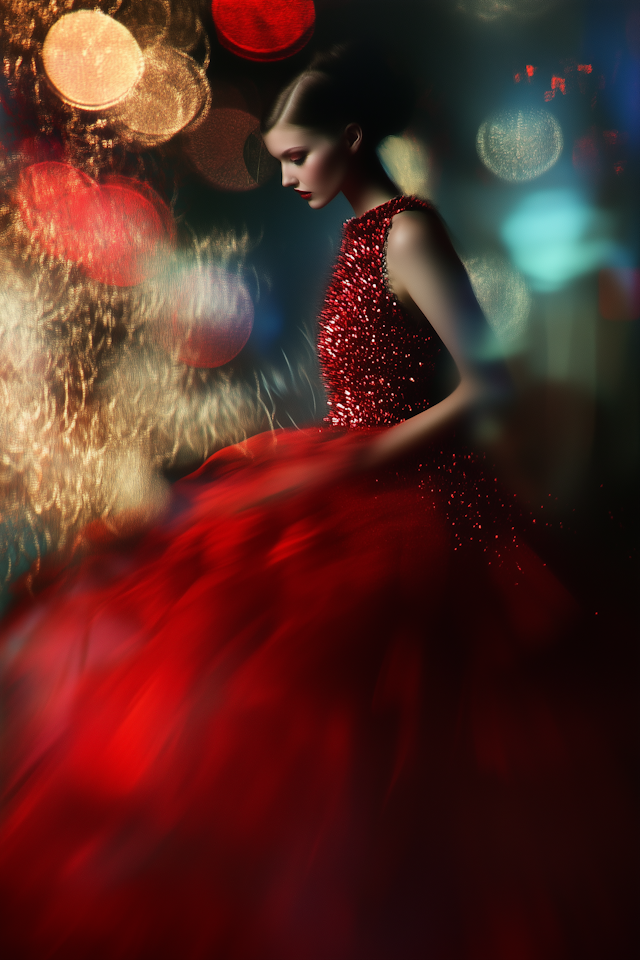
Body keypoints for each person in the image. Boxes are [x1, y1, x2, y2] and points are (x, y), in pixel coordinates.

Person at [0, 46, 631, 960]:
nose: (287, 174)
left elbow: (489, 387)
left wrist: (352, 463)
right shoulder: (362, 236)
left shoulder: (409, 233)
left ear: (353, 139)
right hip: (365, 484)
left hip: (417, 513)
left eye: (299, 155)